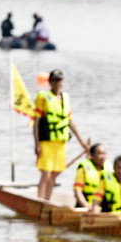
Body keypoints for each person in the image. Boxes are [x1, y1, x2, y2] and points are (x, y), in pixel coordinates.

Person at [34, 70, 89, 202]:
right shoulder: (43, 97)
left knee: (54, 174)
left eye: (59, 80)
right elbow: (36, 122)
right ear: (50, 82)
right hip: (47, 141)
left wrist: (82, 142)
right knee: (46, 173)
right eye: (54, 80)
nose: (57, 83)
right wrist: (36, 144)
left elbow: (70, 121)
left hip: (61, 142)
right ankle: (40, 200)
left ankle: (47, 199)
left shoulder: (65, 98)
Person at [73, 142, 108, 210]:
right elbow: (78, 191)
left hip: (103, 207)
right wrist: (86, 205)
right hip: (88, 205)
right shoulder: (83, 169)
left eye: (104, 153)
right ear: (92, 155)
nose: (103, 157)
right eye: (100, 154)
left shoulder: (109, 168)